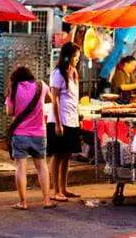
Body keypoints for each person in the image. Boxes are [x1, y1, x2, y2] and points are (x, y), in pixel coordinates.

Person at [5, 67, 54, 210]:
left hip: (20, 134)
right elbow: (49, 99)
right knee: (42, 166)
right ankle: (46, 200)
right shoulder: (41, 85)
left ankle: (23, 202)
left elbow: (9, 112)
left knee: (21, 167)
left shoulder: (13, 89)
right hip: (39, 133)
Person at [47, 42, 81, 202]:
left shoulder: (74, 72)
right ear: (68, 56)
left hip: (72, 119)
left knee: (67, 155)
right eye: (76, 56)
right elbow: (55, 99)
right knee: (58, 155)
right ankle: (55, 191)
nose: (77, 59)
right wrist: (59, 124)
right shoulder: (58, 73)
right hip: (60, 120)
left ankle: (64, 188)